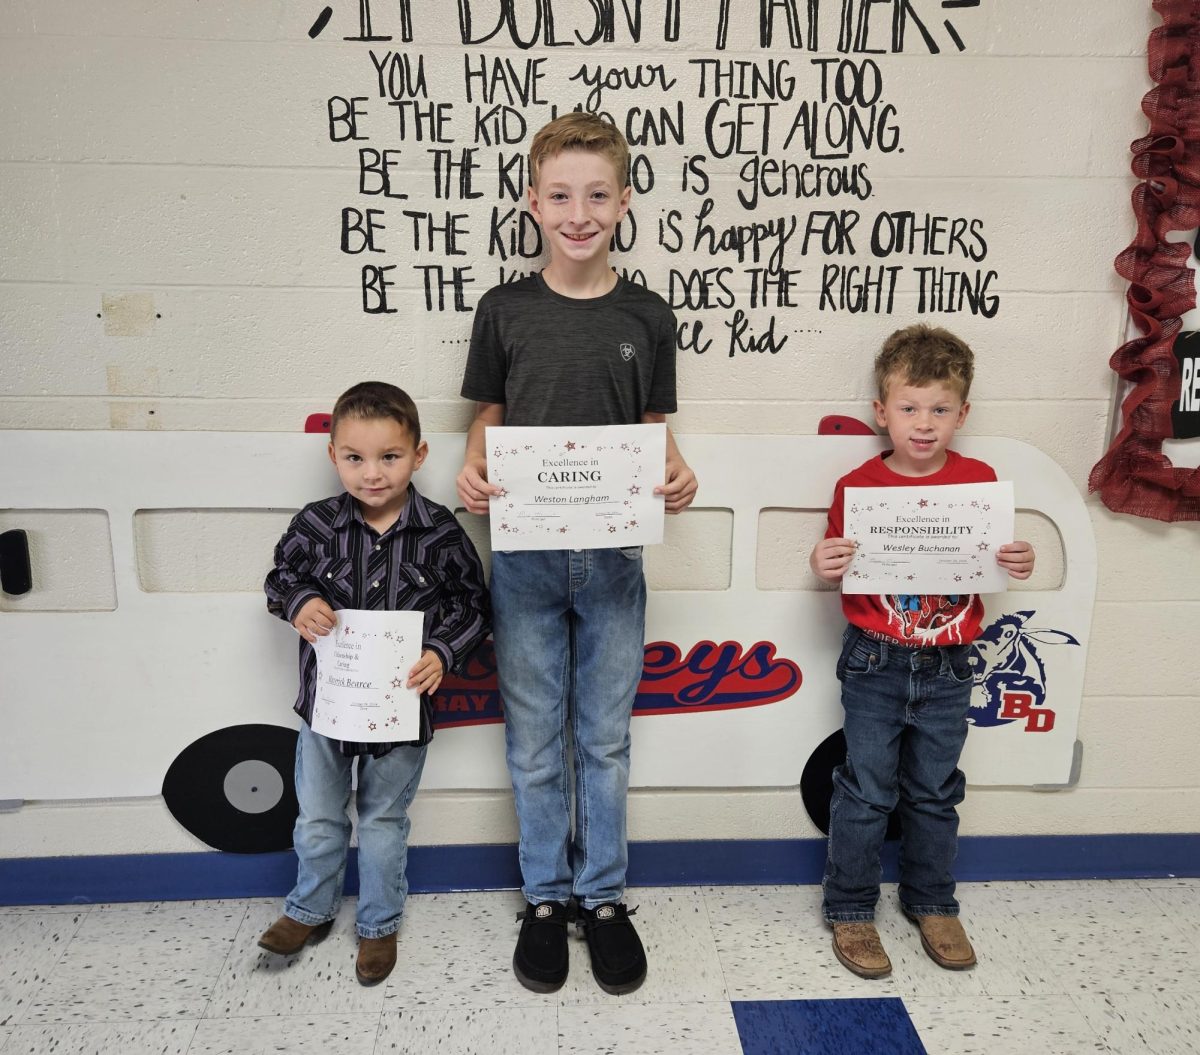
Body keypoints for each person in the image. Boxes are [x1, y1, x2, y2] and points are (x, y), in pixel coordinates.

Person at [456, 113, 697, 995]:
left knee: (602, 739)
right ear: (533, 203)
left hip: (615, 562)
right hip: (523, 559)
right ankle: (545, 898)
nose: (579, 212)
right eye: (561, 195)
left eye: (598, 195)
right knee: (532, 743)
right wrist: (474, 465)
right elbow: (486, 418)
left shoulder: (649, 314)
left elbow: (653, 432)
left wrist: (676, 472)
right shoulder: (504, 309)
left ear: (625, 204)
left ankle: (603, 897)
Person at [809, 324, 1035, 979]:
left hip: (950, 663)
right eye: (909, 407)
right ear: (882, 412)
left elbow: (995, 558)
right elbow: (835, 560)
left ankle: (932, 900)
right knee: (865, 791)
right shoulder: (856, 486)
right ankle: (851, 908)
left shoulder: (980, 481)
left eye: (940, 408)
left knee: (935, 791)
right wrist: (825, 560)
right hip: (876, 658)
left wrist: (1015, 557)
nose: (924, 423)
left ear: (962, 413)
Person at [260, 382, 489, 986]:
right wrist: (299, 600)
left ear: (419, 455)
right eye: (355, 458)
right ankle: (308, 909)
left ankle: (379, 924)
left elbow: (473, 605)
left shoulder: (439, 533)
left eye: (389, 457)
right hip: (325, 711)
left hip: (402, 713)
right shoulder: (316, 525)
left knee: (385, 819)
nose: (372, 473)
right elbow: (278, 579)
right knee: (318, 817)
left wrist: (443, 652)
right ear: (332, 456)